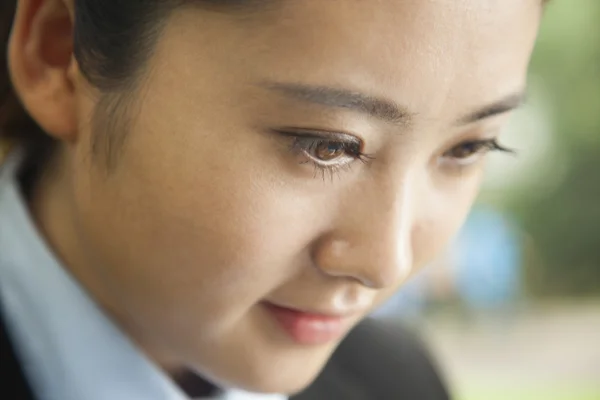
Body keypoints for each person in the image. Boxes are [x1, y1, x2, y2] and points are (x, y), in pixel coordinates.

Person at [0, 0, 544, 399]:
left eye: (468, 147)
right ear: (60, 58)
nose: (386, 264)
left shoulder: (398, 381)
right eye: (326, 145)